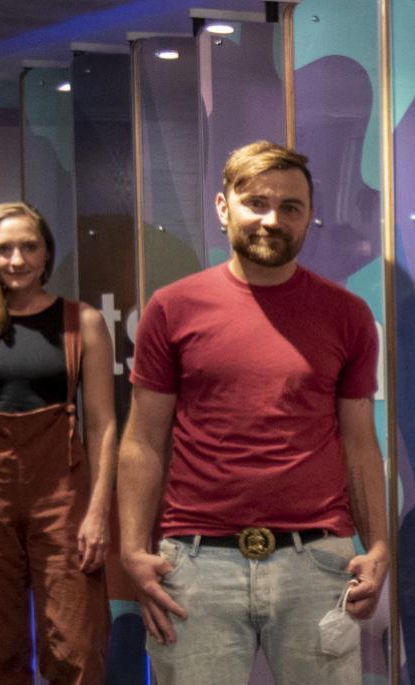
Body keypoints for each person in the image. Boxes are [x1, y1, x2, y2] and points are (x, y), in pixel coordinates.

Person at [115, 141, 392, 683]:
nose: (273, 219)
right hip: (195, 565)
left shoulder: (347, 315)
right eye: (256, 203)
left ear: (310, 217)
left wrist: (378, 543)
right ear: (224, 208)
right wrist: (131, 548)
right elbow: (143, 439)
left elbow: (359, 441)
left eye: (291, 207)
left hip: (316, 562)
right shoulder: (172, 308)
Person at [0, 201, 117, 684]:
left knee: (76, 640)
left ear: (46, 253)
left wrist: (99, 513)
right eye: (3, 249)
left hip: (63, 496)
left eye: (28, 247)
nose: (17, 260)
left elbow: (103, 425)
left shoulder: (82, 323)